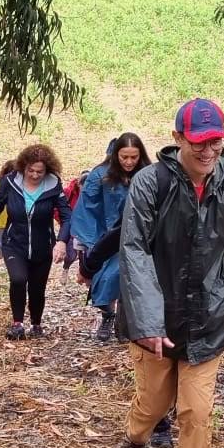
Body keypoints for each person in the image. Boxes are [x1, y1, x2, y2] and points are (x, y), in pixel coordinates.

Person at [118, 98, 224, 448]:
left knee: (196, 410)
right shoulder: (151, 183)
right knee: (154, 403)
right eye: (199, 141)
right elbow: (134, 250)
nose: (208, 150)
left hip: (208, 315)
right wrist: (147, 320)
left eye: (216, 141)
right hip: (157, 316)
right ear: (178, 138)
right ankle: (135, 437)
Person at [0, 144, 70, 340]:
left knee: (37, 288)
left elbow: (67, 215)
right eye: (31, 170)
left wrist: (62, 241)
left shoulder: (53, 184)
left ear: (47, 170)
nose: (35, 175)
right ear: (23, 166)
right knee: (18, 279)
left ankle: (36, 324)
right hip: (14, 242)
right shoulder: (9, 182)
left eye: (39, 171)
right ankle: (17, 324)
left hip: (42, 245)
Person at [70, 133, 151, 342]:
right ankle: (108, 314)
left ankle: (126, 325)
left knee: (130, 281)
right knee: (104, 281)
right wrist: (88, 240)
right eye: (124, 157)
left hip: (138, 238)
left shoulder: (147, 175)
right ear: (116, 155)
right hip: (106, 237)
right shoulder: (100, 175)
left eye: (134, 157)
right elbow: (87, 207)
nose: (129, 162)